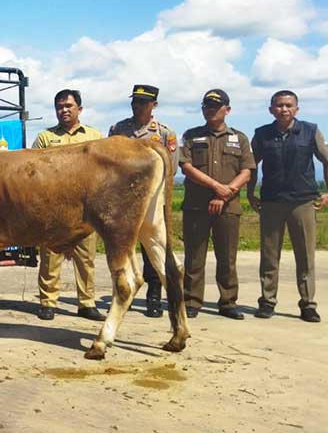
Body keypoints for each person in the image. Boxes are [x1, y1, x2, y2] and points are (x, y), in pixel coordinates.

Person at [247, 90, 328, 322]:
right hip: (271, 202)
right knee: (270, 256)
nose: (284, 109)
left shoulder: (310, 131)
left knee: (305, 257)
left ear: (297, 109)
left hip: (302, 202)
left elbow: (326, 159)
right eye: (279, 105)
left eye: (288, 105)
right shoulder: (262, 134)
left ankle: (308, 304)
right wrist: (250, 192)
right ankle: (267, 302)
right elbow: (251, 165)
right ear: (271, 109)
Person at [179, 89, 255, 319]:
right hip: (196, 206)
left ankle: (228, 302)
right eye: (206, 106)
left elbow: (247, 171)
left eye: (215, 106)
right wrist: (216, 186)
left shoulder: (240, 138)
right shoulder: (191, 136)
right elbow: (186, 167)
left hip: (228, 206)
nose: (210, 110)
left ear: (227, 110)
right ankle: (191, 301)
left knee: (227, 257)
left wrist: (225, 193)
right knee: (194, 256)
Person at [31, 89, 106, 322]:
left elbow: (103, 173)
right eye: (59, 107)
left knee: (86, 257)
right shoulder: (45, 138)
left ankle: (87, 303)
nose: (64, 110)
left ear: (79, 109)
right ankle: (48, 302)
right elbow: (33, 170)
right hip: (53, 209)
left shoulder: (94, 136)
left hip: (85, 208)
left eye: (69, 106)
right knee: (50, 257)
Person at [108, 84, 178, 318]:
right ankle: (122, 293)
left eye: (143, 102)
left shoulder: (165, 132)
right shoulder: (118, 129)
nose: (137, 106)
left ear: (153, 105)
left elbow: (172, 167)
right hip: (122, 203)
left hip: (152, 198)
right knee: (122, 250)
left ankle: (154, 297)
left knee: (153, 251)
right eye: (134, 102)